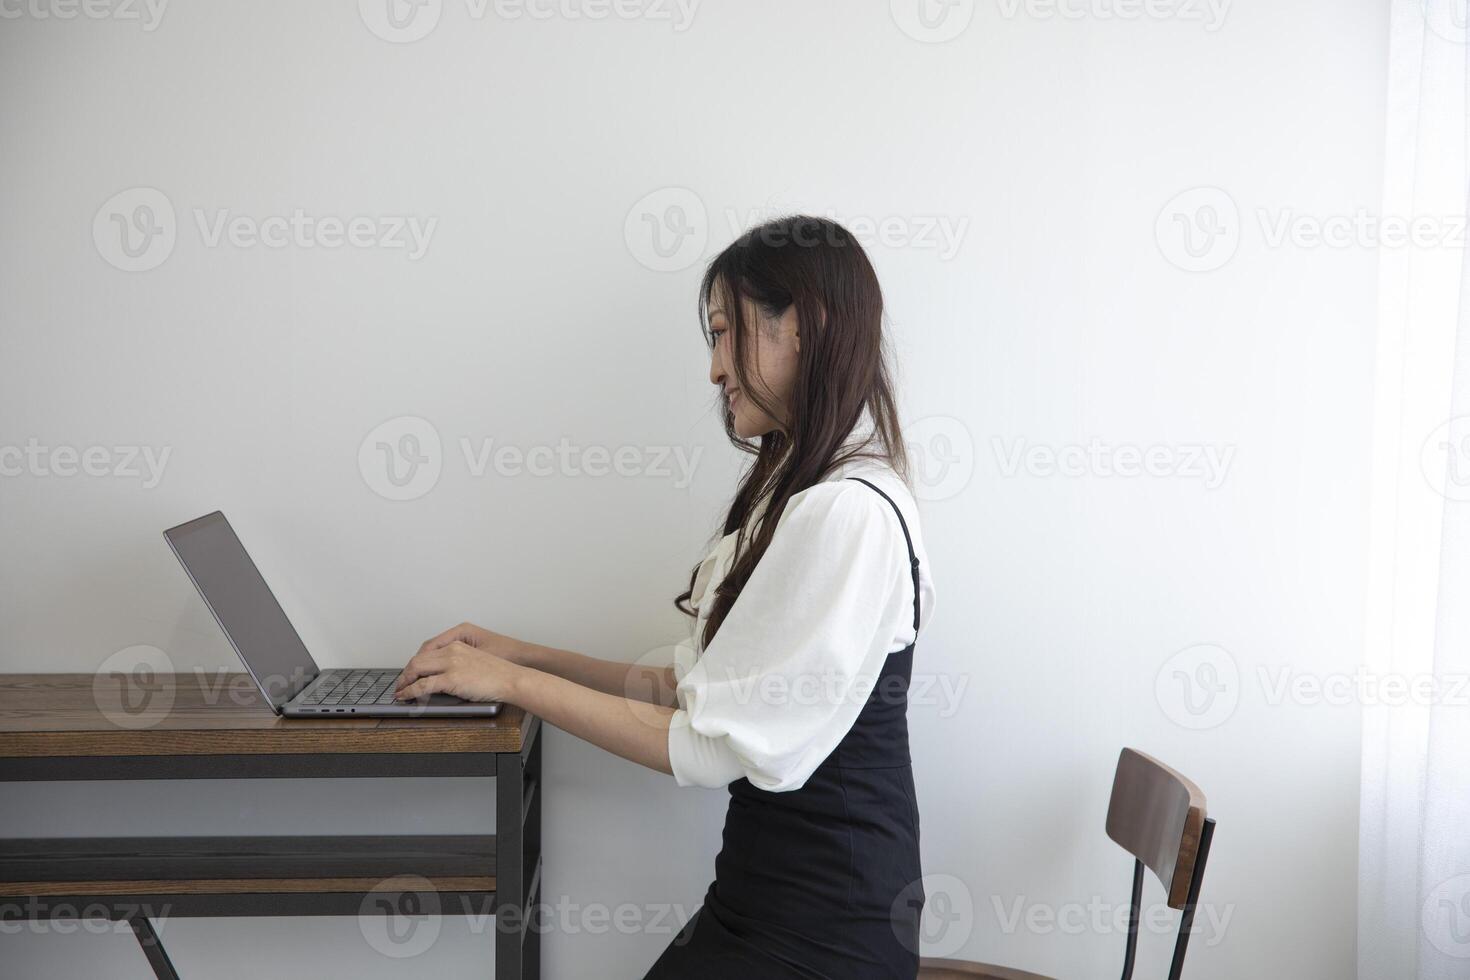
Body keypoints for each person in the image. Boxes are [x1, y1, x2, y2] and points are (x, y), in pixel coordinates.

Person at [394, 214, 936, 978]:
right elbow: (693, 693)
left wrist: (514, 684)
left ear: (803, 329)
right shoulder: (804, 494)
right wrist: (520, 653)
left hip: (821, 930)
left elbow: (706, 748)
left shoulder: (844, 513)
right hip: (768, 899)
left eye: (725, 333)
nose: (716, 369)